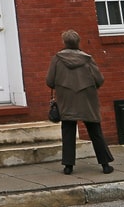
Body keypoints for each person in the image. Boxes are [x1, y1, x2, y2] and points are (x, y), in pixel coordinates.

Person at [45, 30, 114, 175]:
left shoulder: (57, 59)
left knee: (68, 131)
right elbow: (99, 79)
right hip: (87, 99)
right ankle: (105, 164)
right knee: (95, 131)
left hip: (66, 99)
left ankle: (68, 166)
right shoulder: (88, 59)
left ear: (64, 42)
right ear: (78, 42)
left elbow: (50, 81)